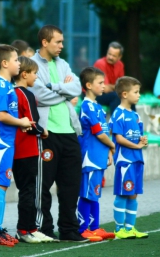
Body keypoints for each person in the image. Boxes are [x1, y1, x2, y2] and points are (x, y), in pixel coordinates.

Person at [29, 24, 89, 242]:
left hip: (70, 132)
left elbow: (77, 87)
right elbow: (40, 96)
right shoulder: (32, 64)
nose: (62, 46)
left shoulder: (63, 64)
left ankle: (69, 229)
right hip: (47, 133)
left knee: (71, 185)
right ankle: (44, 229)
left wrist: (54, 87)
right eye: (58, 42)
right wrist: (63, 92)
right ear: (45, 42)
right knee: (44, 185)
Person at [0, 45, 33, 247]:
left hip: (5, 142)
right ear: (5, 63)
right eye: (16, 60)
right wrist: (22, 122)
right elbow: (2, 116)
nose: (19, 63)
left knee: (3, 183)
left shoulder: (5, 85)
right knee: (0, 183)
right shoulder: (2, 86)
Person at [12, 56, 53, 243]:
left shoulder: (12, 93)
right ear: (24, 74)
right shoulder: (26, 95)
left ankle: (30, 228)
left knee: (25, 190)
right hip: (27, 150)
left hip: (17, 151)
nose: (36, 77)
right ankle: (25, 229)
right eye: (35, 73)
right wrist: (43, 131)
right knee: (29, 191)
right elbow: (32, 123)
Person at [77, 67, 116, 242]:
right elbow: (99, 133)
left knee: (95, 192)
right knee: (87, 192)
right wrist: (113, 146)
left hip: (99, 156)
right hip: (90, 157)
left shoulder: (98, 106)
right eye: (100, 83)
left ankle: (95, 227)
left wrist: (108, 151)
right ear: (88, 85)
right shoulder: (87, 106)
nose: (104, 86)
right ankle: (82, 228)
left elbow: (104, 133)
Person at [109, 76, 149, 239]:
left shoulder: (135, 115)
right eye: (136, 92)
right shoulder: (118, 114)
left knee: (133, 194)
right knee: (123, 193)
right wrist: (137, 146)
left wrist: (142, 140)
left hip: (137, 159)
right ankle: (119, 229)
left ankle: (130, 227)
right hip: (125, 161)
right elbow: (119, 138)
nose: (139, 95)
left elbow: (138, 136)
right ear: (125, 94)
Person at [94, 41, 124, 115]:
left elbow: (122, 86)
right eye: (109, 54)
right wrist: (116, 86)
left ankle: (134, 125)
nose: (110, 57)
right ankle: (114, 125)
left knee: (128, 97)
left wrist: (113, 87)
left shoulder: (120, 65)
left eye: (114, 56)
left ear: (119, 57)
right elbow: (105, 89)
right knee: (116, 96)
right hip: (93, 94)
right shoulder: (100, 63)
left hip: (107, 93)